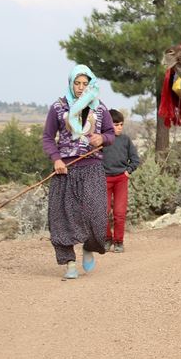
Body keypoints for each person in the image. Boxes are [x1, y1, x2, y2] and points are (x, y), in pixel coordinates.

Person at [41, 65, 115, 280]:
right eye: (77, 83)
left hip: (91, 167)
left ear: (91, 84)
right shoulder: (58, 107)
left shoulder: (99, 108)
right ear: (71, 84)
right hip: (65, 170)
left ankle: (89, 247)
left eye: (85, 83)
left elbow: (110, 133)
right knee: (61, 217)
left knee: (96, 214)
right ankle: (69, 264)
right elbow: (47, 137)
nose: (81, 88)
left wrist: (102, 138)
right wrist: (56, 159)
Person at [102, 109, 140, 253]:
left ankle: (118, 241)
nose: (119, 127)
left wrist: (128, 171)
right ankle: (107, 239)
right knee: (103, 212)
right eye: (116, 124)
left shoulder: (125, 140)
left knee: (119, 212)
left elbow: (135, 159)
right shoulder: (101, 141)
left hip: (120, 180)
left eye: (121, 124)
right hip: (104, 180)